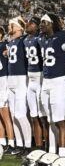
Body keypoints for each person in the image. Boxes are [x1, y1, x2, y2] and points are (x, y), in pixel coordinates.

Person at [39, 13, 65, 157]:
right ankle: (52, 153)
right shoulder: (43, 39)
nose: (41, 24)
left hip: (59, 81)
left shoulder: (63, 36)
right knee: (50, 120)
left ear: (52, 24)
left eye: (44, 22)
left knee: (60, 120)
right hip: (46, 81)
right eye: (41, 22)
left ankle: (62, 156)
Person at [6, 16, 32, 157]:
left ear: (20, 27)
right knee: (14, 114)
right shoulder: (11, 42)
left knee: (21, 114)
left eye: (12, 25)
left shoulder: (24, 41)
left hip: (22, 78)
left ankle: (28, 146)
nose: (10, 27)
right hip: (11, 78)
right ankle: (19, 144)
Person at [24, 16, 48, 150]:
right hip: (30, 79)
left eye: (31, 23)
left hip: (41, 77)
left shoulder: (41, 40)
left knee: (43, 116)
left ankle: (47, 146)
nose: (28, 25)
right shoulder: (25, 40)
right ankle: (38, 146)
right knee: (33, 115)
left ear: (37, 25)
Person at [0, 26, 15, 154]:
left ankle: (11, 142)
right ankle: (2, 142)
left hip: (3, 80)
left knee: (6, 114)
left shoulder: (4, 45)